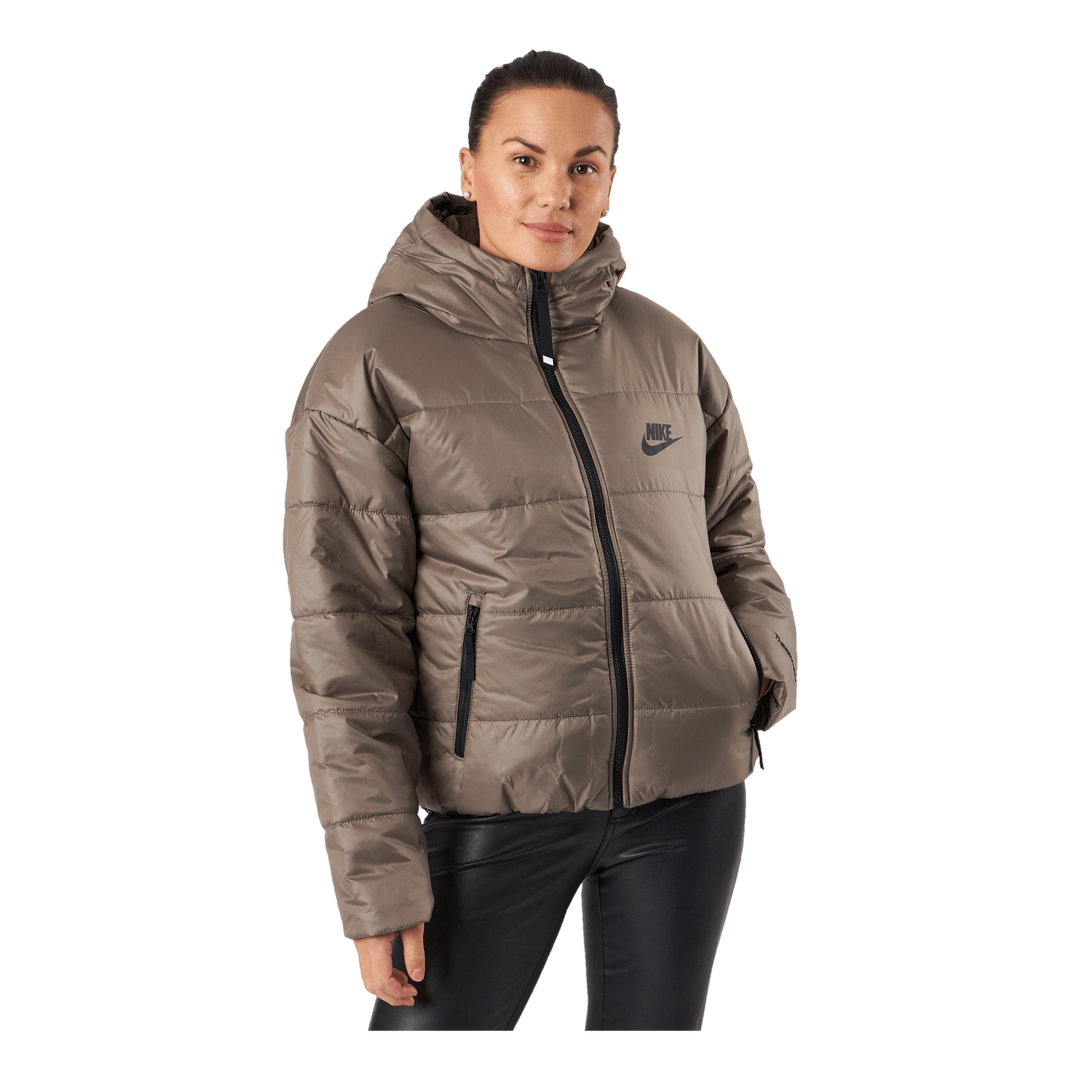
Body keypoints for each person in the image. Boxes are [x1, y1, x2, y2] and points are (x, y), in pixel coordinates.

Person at [281, 47, 800, 1033]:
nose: (555, 192)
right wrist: (377, 879)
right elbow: (344, 637)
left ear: (611, 179)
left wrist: (757, 672)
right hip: (491, 799)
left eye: (584, 166)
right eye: (525, 160)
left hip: (691, 787)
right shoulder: (373, 361)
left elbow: (738, 533)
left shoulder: (670, 346)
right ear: (469, 169)